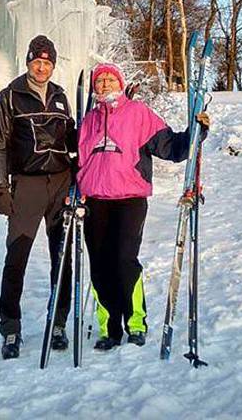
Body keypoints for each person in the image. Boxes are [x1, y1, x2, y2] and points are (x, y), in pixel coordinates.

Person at [77, 63, 210, 350]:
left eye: (110, 79)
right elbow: (78, 161)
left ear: (120, 83)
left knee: (125, 260)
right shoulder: (88, 120)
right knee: (100, 265)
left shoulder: (138, 114)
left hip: (129, 199)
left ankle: (135, 323)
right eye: (99, 81)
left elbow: (170, 147)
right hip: (95, 202)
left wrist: (194, 134)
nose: (105, 85)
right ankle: (109, 330)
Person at [0, 35, 79, 360]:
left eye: (48, 63)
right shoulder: (10, 97)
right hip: (26, 185)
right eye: (37, 62)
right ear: (28, 62)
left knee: (62, 257)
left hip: (60, 184)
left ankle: (59, 322)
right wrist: (1, 187)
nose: (42, 68)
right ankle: (10, 328)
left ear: (53, 65)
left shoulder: (60, 96)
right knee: (17, 258)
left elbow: (71, 141)